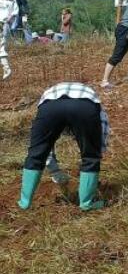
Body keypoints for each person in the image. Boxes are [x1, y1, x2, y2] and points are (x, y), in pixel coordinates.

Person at [18, 82, 112, 211]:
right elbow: (103, 126)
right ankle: (86, 203)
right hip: (84, 106)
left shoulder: (47, 98)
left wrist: (54, 170)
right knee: (90, 156)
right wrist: (96, 151)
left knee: (36, 154)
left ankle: (24, 203)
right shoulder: (92, 99)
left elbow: (43, 146)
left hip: (50, 106)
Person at [0, 0, 18, 79]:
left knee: (1, 46)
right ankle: (6, 69)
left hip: (3, 24)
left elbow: (14, 13)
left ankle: (6, 69)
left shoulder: (13, 1)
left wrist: (8, 21)